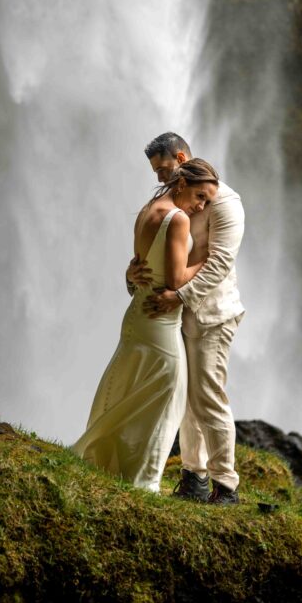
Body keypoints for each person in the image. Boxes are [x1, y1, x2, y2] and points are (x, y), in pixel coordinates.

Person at [73, 158, 219, 492]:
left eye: (207, 202)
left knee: (129, 387)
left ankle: (107, 462)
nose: (200, 207)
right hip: (160, 321)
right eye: (200, 197)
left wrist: (129, 274)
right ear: (181, 184)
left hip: (138, 313)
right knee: (169, 393)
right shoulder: (178, 219)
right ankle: (143, 482)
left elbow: (140, 263)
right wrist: (207, 260)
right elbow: (175, 279)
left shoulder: (147, 209)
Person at [130, 132, 245, 505]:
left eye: (164, 169)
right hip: (176, 312)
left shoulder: (224, 203)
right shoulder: (169, 201)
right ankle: (193, 478)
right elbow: (152, 252)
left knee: (208, 397)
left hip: (213, 315)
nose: (160, 178)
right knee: (186, 396)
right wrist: (133, 275)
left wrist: (178, 294)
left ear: (180, 159)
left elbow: (219, 263)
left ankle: (226, 487)